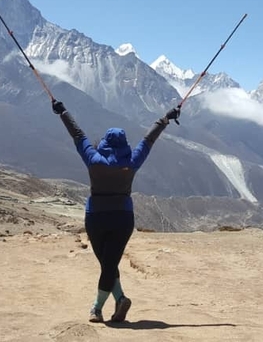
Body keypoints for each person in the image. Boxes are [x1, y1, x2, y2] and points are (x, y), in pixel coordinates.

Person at [52, 99, 181, 323]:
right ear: (124, 144)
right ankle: (120, 298)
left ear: (104, 142)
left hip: (96, 217)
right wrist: (167, 118)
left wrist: (62, 111)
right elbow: (149, 139)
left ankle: (97, 308)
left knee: (107, 264)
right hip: (123, 218)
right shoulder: (131, 161)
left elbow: (77, 134)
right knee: (109, 264)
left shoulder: (94, 159)